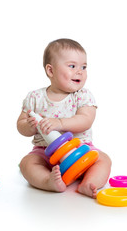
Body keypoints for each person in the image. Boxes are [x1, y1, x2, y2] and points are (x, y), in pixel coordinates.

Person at [17, 38, 111, 198]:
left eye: (84, 67)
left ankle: (89, 182)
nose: (80, 71)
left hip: (81, 150)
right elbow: (20, 124)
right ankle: (48, 181)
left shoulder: (82, 96)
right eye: (72, 66)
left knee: (104, 160)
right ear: (51, 71)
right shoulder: (35, 97)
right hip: (45, 152)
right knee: (27, 164)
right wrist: (30, 126)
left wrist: (60, 123)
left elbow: (86, 119)